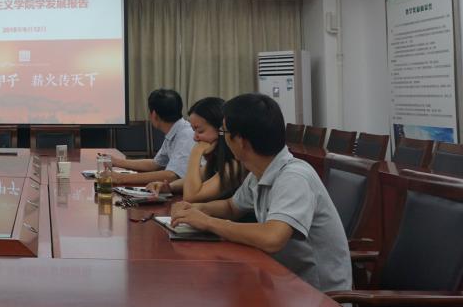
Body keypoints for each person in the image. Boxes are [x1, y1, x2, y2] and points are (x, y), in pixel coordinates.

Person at [170, 93, 352, 293]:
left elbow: (272, 238)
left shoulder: (294, 177)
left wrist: (208, 222)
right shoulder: (260, 171)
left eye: (224, 132)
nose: (223, 138)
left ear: (241, 141)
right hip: (284, 283)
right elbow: (232, 207)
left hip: (320, 298)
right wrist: (195, 210)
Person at [147, 97, 246, 202]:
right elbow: (196, 178)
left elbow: (191, 196)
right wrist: (169, 187)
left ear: (221, 129)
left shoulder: (234, 165)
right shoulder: (216, 160)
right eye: (194, 131)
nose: (195, 138)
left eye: (200, 131)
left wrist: (196, 152)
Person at [103, 89, 195, 186]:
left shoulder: (186, 135)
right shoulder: (175, 130)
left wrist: (121, 178)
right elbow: (155, 164)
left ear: (154, 115)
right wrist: (117, 162)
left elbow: (172, 175)